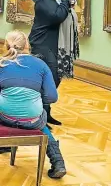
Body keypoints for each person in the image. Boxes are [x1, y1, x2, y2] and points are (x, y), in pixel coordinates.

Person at [0, 30, 67, 178]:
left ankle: (3, 144)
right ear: (27, 46)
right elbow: (52, 97)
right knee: (40, 121)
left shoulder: (2, 64)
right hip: (32, 120)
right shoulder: (41, 65)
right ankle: (58, 162)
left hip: (4, 117)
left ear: (6, 46)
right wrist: (33, 98)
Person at [28, 0, 80, 127]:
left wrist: (67, 0)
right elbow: (57, 17)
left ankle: (46, 113)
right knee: (51, 77)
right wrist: (65, 0)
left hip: (54, 43)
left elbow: (64, 12)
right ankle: (38, 114)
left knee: (53, 77)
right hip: (42, 43)